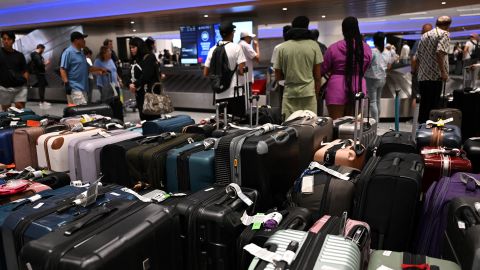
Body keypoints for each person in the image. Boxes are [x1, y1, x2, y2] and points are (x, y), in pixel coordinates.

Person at [321, 16, 372, 119]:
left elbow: (323, 69)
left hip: (336, 88)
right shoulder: (366, 48)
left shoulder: (333, 48)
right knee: (355, 127)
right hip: (358, 87)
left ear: (343, 30)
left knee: (336, 126)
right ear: (357, 28)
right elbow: (365, 68)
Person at [274, 16, 323, 119]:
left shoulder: (282, 47)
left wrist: (284, 88)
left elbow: (278, 75)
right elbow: (317, 76)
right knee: (310, 127)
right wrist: (316, 94)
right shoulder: (314, 46)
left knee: (289, 126)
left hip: (289, 94)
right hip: (309, 93)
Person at [204, 21, 246, 117]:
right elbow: (241, 71)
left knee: (223, 124)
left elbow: (206, 72)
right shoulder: (237, 48)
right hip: (235, 93)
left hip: (219, 94)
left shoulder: (213, 49)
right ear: (232, 33)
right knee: (239, 124)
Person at [416, 16, 452, 123]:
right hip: (435, 76)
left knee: (424, 107)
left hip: (423, 77)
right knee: (433, 108)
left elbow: (418, 56)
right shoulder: (444, 34)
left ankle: (421, 131)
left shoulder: (425, 35)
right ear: (447, 25)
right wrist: (443, 72)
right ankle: (431, 134)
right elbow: (439, 52)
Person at [60, 31, 107, 105]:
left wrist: (100, 69)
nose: (84, 41)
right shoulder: (68, 52)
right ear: (76, 41)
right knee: (83, 110)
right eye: (82, 39)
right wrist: (67, 84)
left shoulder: (82, 53)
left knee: (79, 112)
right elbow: (62, 69)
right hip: (74, 87)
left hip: (84, 87)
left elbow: (88, 68)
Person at [128, 37, 161, 121]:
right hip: (140, 93)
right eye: (130, 47)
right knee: (143, 118)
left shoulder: (149, 57)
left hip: (150, 93)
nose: (131, 50)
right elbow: (129, 74)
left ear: (139, 47)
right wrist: (129, 84)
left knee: (153, 118)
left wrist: (134, 85)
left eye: (133, 47)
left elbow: (146, 75)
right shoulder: (135, 59)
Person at [0, 31, 29, 111]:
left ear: (13, 40)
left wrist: (26, 83)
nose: (6, 41)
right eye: (4, 39)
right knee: (6, 112)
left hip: (20, 87)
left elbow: (25, 70)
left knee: (20, 110)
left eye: (8, 39)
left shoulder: (19, 55)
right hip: (4, 88)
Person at [365, 32, 387, 123]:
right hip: (383, 78)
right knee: (378, 100)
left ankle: (375, 122)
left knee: (373, 101)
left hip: (372, 78)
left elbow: (368, 63)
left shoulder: (373, 51)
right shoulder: (386, 52)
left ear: (375, 41)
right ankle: (378, 121)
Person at [411, 23, 433, 104]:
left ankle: (415, 115)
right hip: (431, 75)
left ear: (422, 32)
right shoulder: (435, 43)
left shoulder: (419, 42)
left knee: (415, 95)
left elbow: (414, 58)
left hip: (419, 73)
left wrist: (413, 71)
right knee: (427, 96)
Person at [30, 44, 51, 108]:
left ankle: (42, 101)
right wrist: (46, 63)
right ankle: (42, 102)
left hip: (39, 73)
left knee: (42, 86)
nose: (43, 51)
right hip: (39, 73)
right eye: (43, 49)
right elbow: (40, 64)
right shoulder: (36, 55)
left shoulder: (36, 55)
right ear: (40, 48)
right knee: (41, 87)